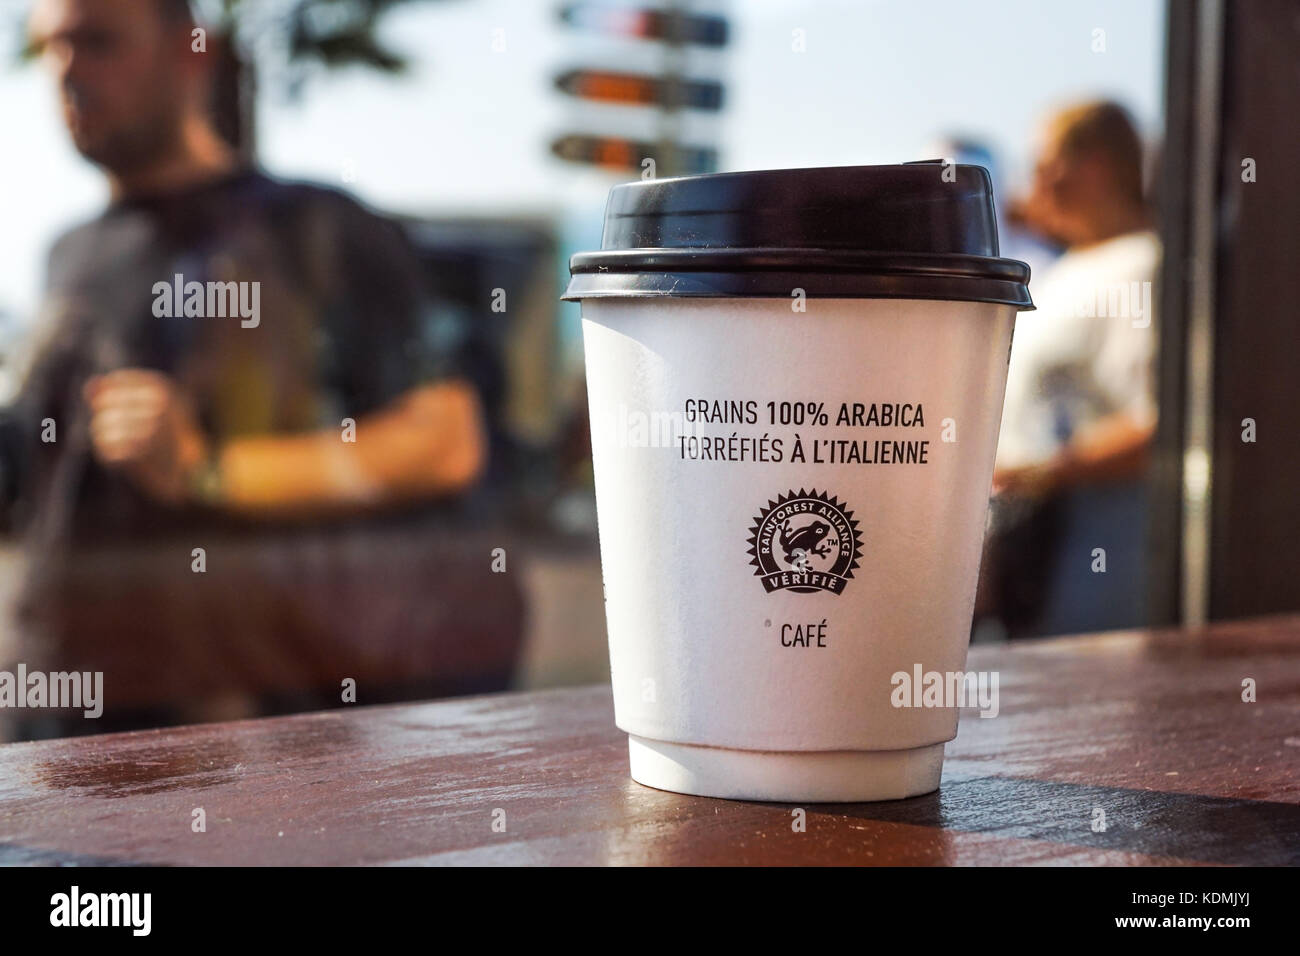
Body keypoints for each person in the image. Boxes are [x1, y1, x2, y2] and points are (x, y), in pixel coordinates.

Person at [1, 0, 523, 738]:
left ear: (191, 50)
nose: (66, 72)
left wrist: (207, 469)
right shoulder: (67, 252)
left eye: (97, 42)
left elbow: (443, 439)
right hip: (53, 728)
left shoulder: (316, 227)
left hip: (230, 746)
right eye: (48, 48)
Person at [977, 100, 1160, 638]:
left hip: (1092, 585)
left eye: (1043, 165)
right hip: (1031, 578)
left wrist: (1038, 472)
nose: (1033, 184)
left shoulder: (1142, 265)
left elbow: (1155, 426)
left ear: (1094, 166)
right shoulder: (1065, 270)